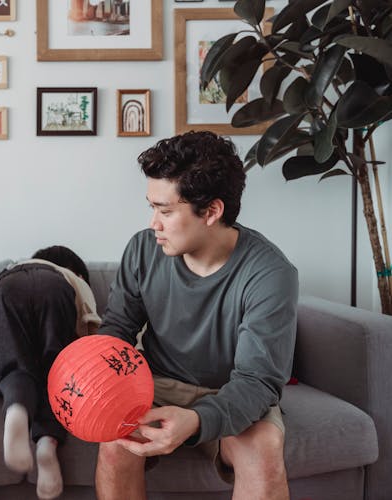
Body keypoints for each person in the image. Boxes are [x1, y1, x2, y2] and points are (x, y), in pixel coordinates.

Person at [95, 131, 298, 500]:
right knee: (114, 446)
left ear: (212, 211)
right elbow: (118, 330)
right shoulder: (143, 249)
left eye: (166, 211)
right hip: (154, 387)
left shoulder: (270, 273)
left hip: (233, 391)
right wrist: (90, 379)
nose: (153, 223)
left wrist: (200, 419)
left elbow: (257, 382)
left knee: (264, 452)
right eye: (152, 207)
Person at [0, 245, 101, 500]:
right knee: (58, 371)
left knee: (14, 362)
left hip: (6, 287)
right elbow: (92, 335)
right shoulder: (69, 281)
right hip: (54, 290)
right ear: (78, 276)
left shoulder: (12, 271)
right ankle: (47, 443)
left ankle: (16, 409)